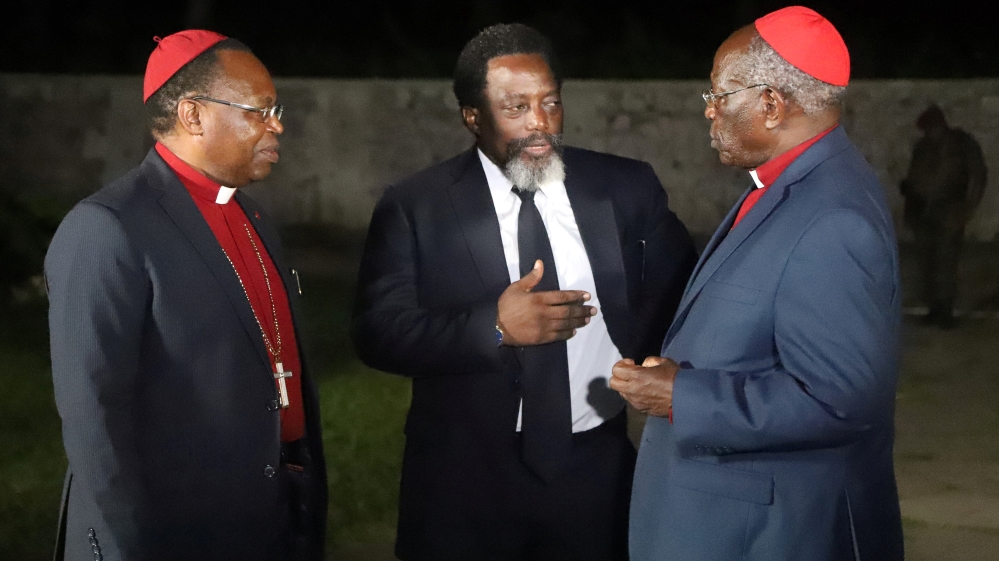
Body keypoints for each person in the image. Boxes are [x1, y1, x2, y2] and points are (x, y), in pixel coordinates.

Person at [352, 23, 695, 561]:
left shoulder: (625, 188)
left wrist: (655, 363)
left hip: (595, 470)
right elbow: (378, 333)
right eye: (516, 107)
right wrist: (494, 327)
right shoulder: (415, 206)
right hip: (464, 480)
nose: (539, 122)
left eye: (550, 103)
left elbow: (683, 292)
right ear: (473, 116)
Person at [610, 7, 904, 560]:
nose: (709, 111)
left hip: (764, 534)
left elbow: (841, 400)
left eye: (720, 95)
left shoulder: (833, 218)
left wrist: (682, 396)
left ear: (771, 104)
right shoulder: (792, 183)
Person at [45, 30, 326, 561]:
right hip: (173, 528)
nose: (277, 126)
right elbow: (93, 417)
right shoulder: (108, 226)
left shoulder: (254, 217)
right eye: (260, 111)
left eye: (276, 110)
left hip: (269, 513)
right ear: (193, 115)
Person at [900, 103, 987, 328]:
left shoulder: (961, 144)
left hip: (950, 211)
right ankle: (934, 309)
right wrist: (910, 203)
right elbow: (914, 178)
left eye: (932, 127)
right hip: (923, 213)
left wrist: (967, 208)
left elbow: (977, 175)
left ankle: (945, 311)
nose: (929, 132)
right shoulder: (922, 147)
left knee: (946, 263)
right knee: (927, 264)